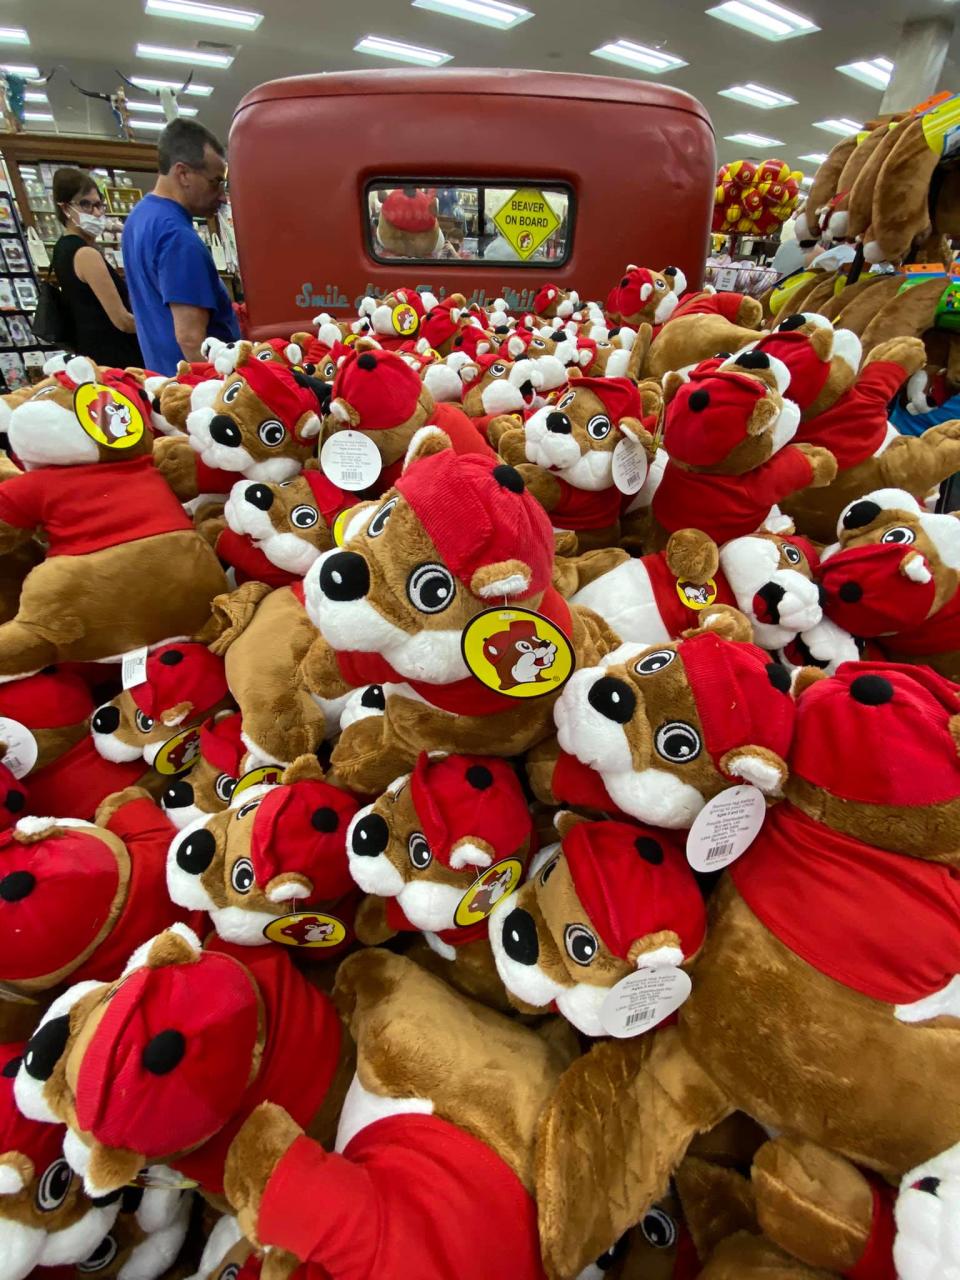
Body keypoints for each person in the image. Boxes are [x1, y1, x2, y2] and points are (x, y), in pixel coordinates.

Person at [122, 118, 239, 375]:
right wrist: (224, 390)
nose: (221, 195)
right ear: (183, 173)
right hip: (197, 391)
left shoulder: (139, 218)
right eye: (215, 182)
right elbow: (190, 339)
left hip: (164, 377)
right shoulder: (178, 237)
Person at [50, 168, 143, 367]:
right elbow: (122, 320)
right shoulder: (86, 254)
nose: (96, 212)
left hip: (92, 352)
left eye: (99, 205)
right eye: (85, 205)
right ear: (65, 208)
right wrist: (157, 327)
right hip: (116, 356)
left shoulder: (63, 247)